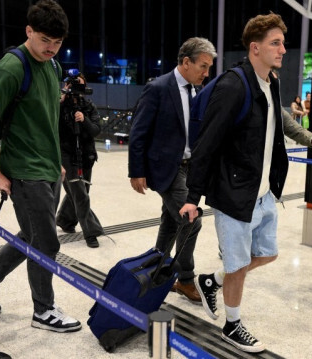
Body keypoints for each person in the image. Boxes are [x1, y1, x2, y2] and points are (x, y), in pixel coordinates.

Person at [180, 13, 312, 353]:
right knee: (237, 266)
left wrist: (309, 139)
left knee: (267, 254)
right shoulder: (233, 85)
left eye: (282, 42)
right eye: (275, 43)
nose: (282, 49)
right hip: (235, 193)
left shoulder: (271, 81)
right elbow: (207, 143)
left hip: (262, 192)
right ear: (255, 48)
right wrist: (193, 195)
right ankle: (232, 325)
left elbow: (279, 124)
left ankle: (211, 280)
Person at [0, 0, 81, 333]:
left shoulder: (53, 66)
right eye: (45, 40)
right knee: (46, 243)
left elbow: (43, 116)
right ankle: (43, 310)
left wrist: (55, 162)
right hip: (24, 170)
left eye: (58, 42)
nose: (51, 48)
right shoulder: (12, 67)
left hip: (48, 167)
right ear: (29, 31)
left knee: (30, 235)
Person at [128, 37, 217, 304]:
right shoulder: (158, 88)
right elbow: (138, 132)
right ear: (186, 62)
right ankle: (185, 279)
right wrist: (137, 170)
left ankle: (156, 270)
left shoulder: (195, 90)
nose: (206, 73)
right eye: (203, 66)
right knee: (191, 220)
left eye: (209, 67)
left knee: (171, 222)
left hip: (189, 167)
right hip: (167, 168)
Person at [56, 72, 105, 248]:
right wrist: (60, 97)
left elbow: (96, 131)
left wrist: (83, 120)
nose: (78, 89)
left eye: (81, 85)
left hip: (86, 155)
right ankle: (91, 232)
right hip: (66, 155)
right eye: (74, 85)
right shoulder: (59, 105)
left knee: (78, 193)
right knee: (80, 195)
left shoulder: (89, 106)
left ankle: (65, 220)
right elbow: (47, 120)